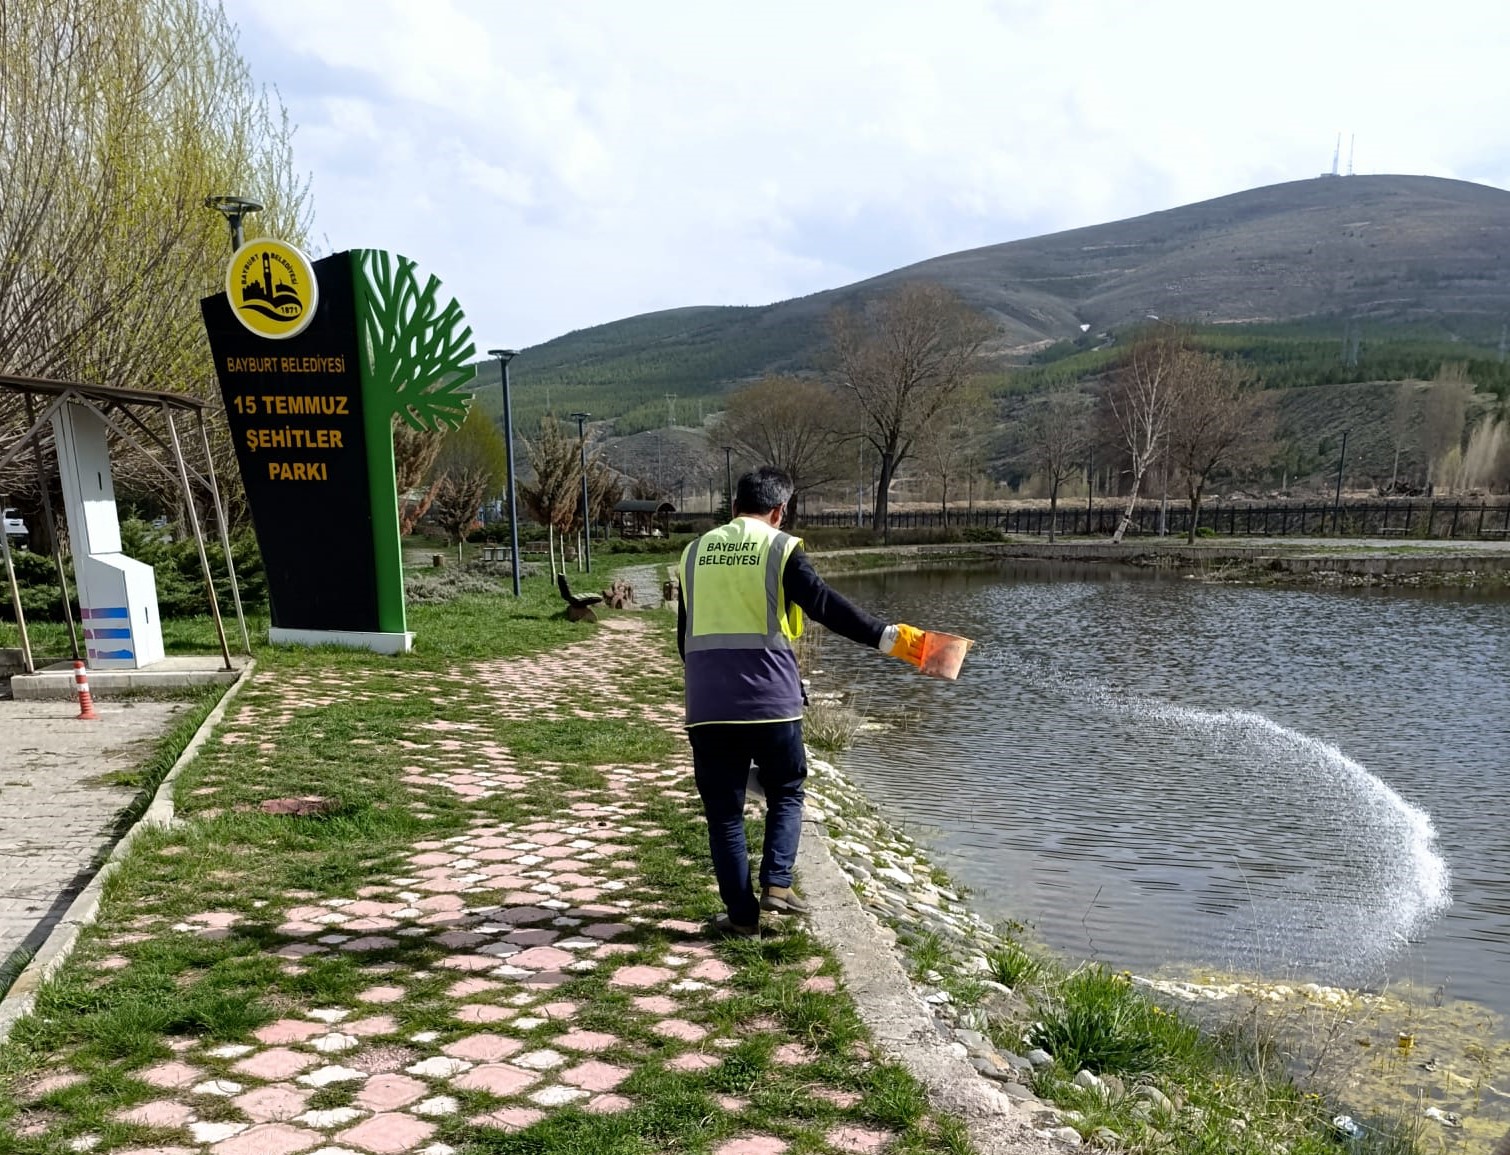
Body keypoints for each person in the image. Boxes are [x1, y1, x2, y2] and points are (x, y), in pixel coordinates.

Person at [677, 465, 927, 936]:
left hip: (708, 706)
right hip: (773, 701)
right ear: (780, 512)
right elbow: (825, 605)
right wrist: (889, 638)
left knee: (724, 814)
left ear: (732, 509)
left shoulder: (693, 554)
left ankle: (740, 919)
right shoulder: (779, 548)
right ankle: (776, 883)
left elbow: (683, 638)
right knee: (786, 789)